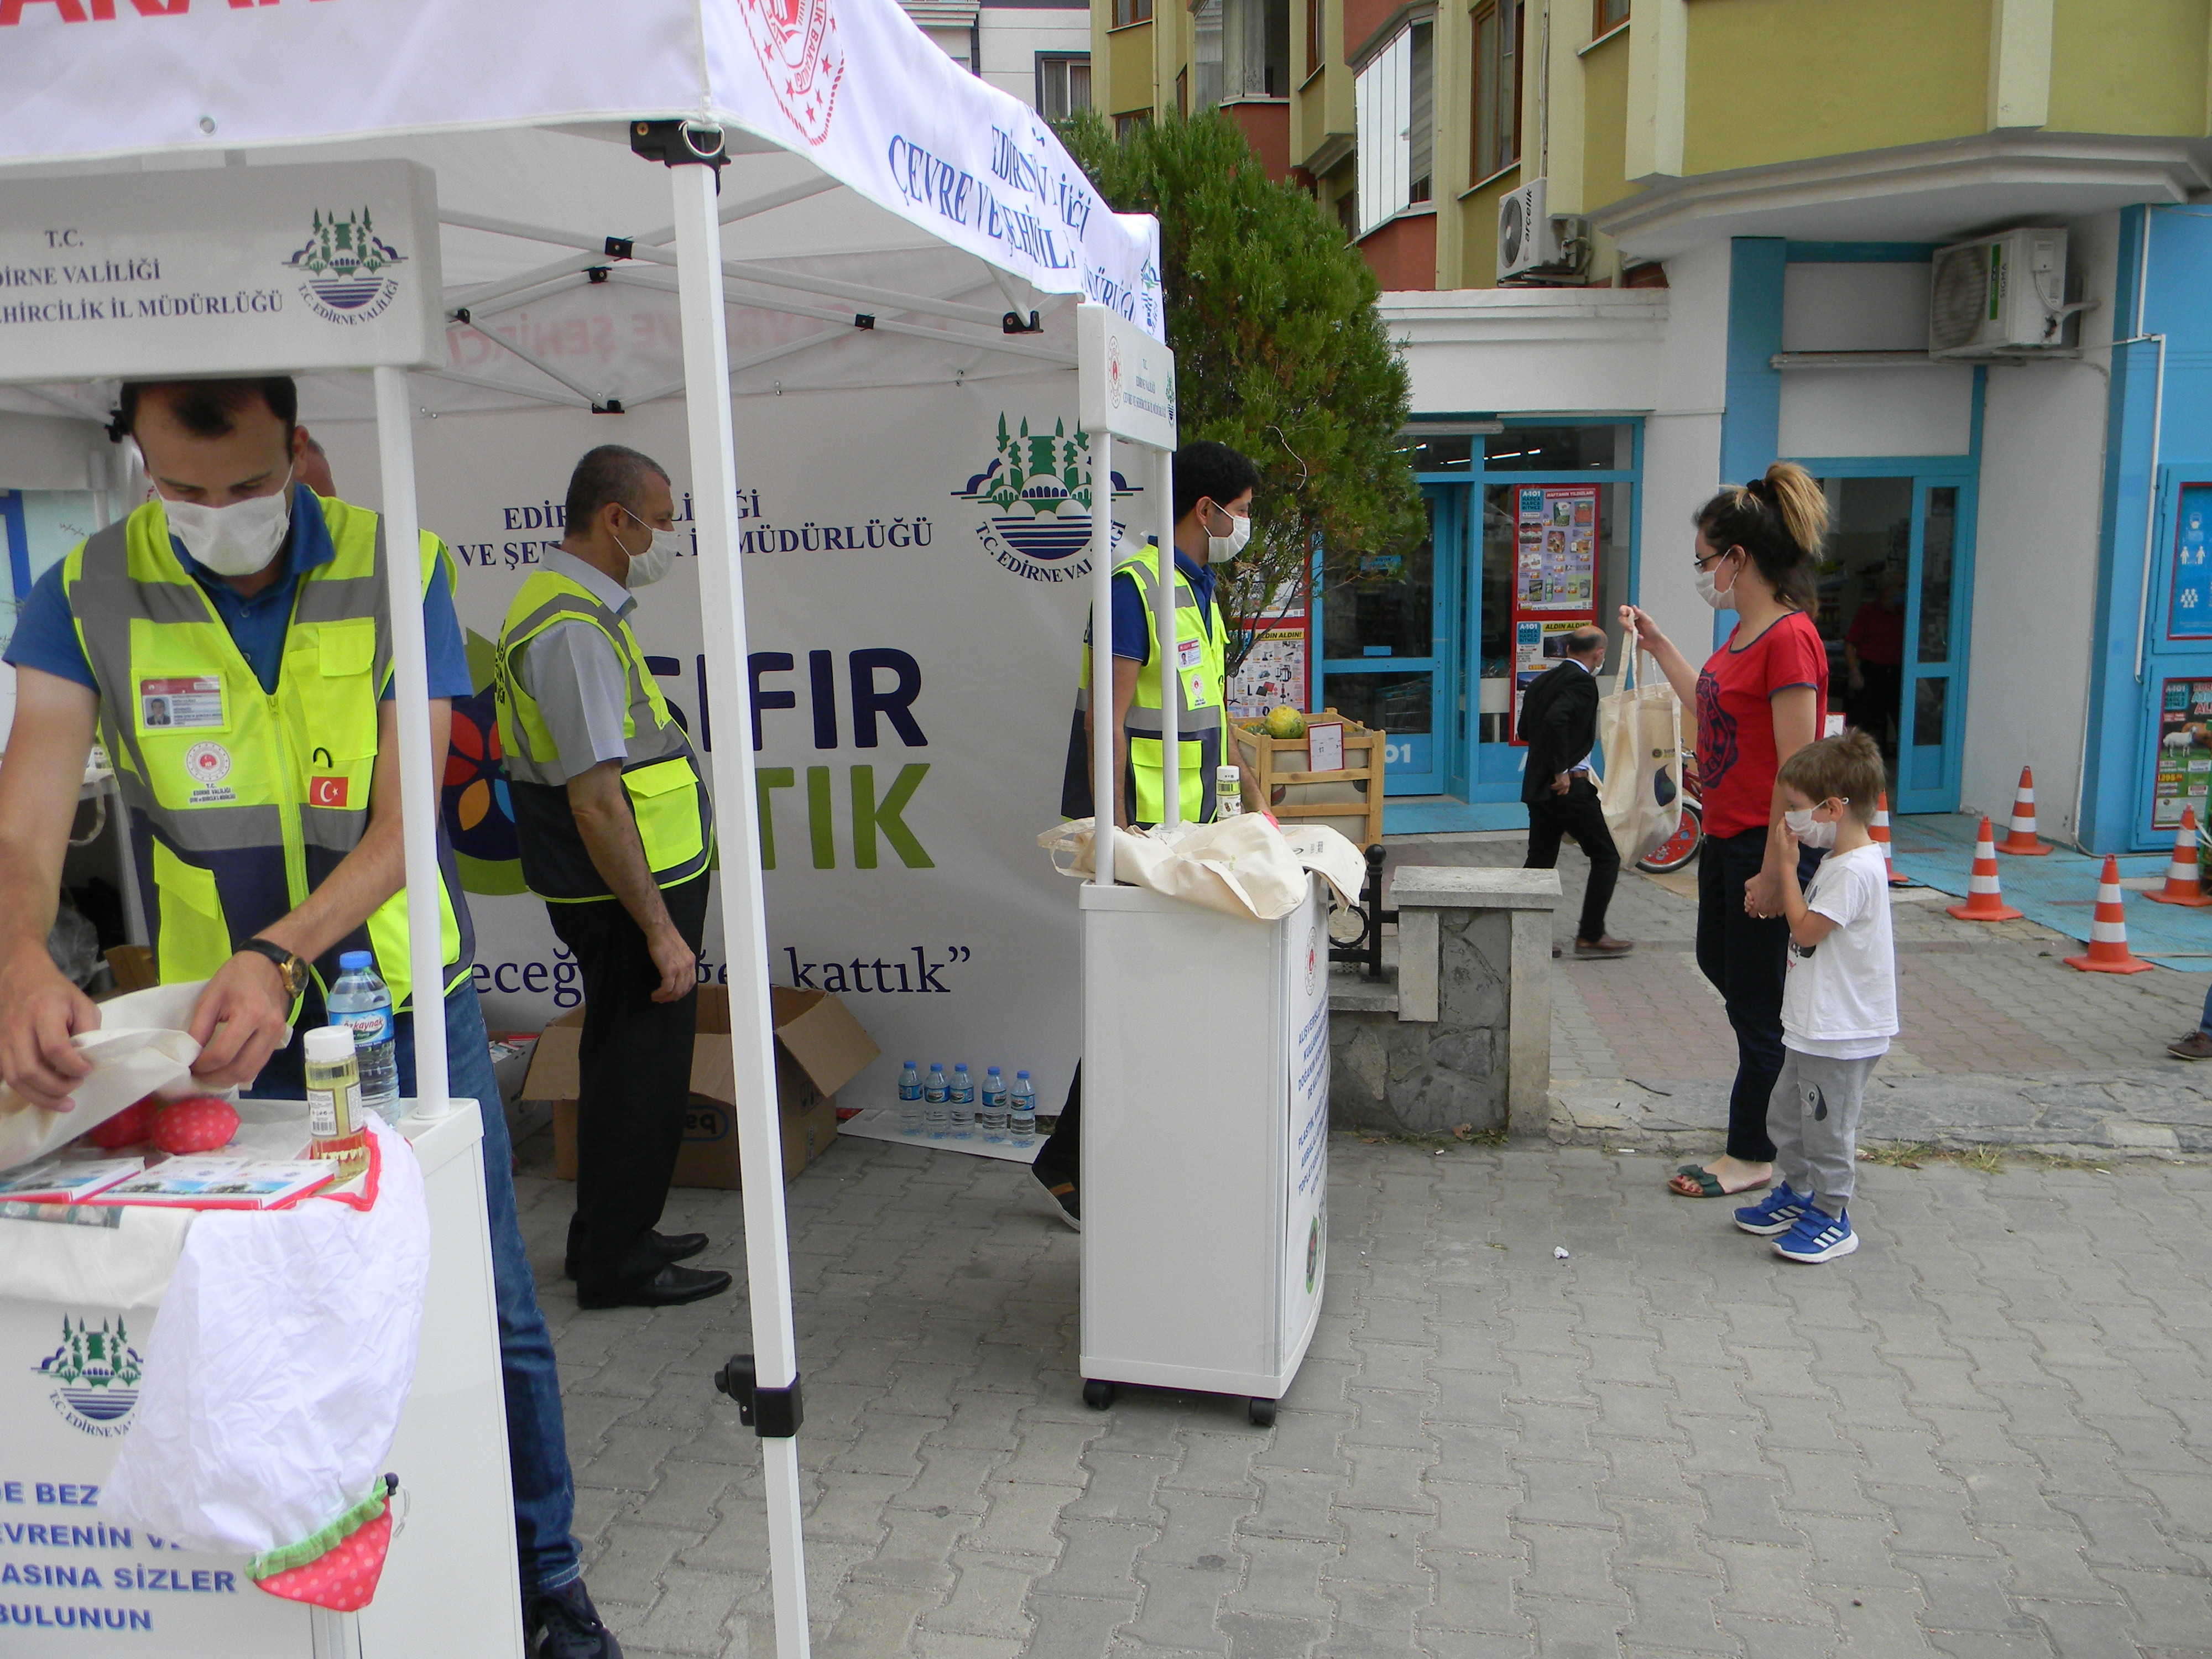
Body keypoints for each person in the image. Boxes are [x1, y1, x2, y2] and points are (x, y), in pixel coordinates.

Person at [0, 378, 623, 1657]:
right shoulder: (80, 592)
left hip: (397, 998)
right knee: (238, 1305)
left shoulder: (401, 569)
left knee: (483, 1300)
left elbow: (407, 827)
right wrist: (16, 953)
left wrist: (283, 952)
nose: (214, 514)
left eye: (242, 488)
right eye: (181, 490)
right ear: (136, 461)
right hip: (204, 1030)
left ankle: (540, 1578)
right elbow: (23, 821)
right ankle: (282, 1595)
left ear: (297, 447)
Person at [495, 445, 727, 1311]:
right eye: (663, 520)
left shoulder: (577, 609)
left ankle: (611, 1232)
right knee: (640, 1073)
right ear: (614, 521)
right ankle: (619, 1264)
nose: (670, 535)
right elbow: (595, 800)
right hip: (626, 894)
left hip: (632, 883)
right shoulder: (570, 629)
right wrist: (661, 929)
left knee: (624, 1058)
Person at [1039, 440, 1263, 1229]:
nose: (1245, 525)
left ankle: (1111, 1157)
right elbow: (1109, 710)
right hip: (1143, 834)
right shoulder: (1135, 589)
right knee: (1132, 1002)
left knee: (1159, 1001)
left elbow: (1212, 714)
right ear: (1204, 510)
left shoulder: (1198, 591)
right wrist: (1116, 832)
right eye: (1240, 510)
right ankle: (1068, 1169)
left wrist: (1255, 801)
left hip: (1189, 832)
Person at [1620, 461, 1830, 1201]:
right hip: (1728, 839)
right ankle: (1771, 1132)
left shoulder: (1789, 641)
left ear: (1738, 559)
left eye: (1706, 560)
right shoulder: (1742, 636)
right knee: (1727, 970)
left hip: (1763, 846)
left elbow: (1801, 766)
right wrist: (1659, 646)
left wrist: (1778, 870)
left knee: (1756, 1005)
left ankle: (1755, 1151)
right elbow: (1710, 708)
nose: (1703, 572)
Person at [1734, 730, 1896, 1262]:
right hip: (1813, 1026)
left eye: (1797, 810)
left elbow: (1804, 932)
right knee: (1788, 1115)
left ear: (1832, 808)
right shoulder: (1838, 863)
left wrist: (1784, 865)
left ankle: (1833, 1214)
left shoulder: (1855, 870)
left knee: (1828, 1129)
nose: (1789, 821)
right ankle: (1798, 1193)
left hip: (1842, 1033)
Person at [1518, 625, 1631, 958]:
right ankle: (1591, 935)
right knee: (1607, 854)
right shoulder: (1582, 683)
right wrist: (1561, 770)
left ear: (1568, 648)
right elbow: (1557, 720)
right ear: (1598, 654)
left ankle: (1524, 934)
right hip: (1567, 787)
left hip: (1538, 787)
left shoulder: (1541, 681)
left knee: (1540, 860)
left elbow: (1526, 729)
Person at [1843, 568, 1905, 757]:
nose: (1904, 590)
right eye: (1900, 586)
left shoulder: (1906, 614)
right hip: (1873, 672)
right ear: (1887, 590)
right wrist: (1855, 672)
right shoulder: (1868, 612)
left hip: (1897, 673)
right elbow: (1850, 643)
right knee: (1863, 721)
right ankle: (1856, 759)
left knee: (1902, 718)